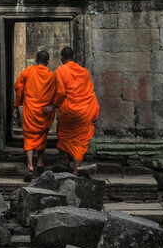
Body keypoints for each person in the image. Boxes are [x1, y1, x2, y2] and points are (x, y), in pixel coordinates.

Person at [45, 47, 99, 175]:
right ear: (74, 57)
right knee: (80, 142)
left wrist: (54, 106)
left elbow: (61, 92)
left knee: (64, 135)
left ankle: (66, 159)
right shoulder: (84, 72)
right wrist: (95, 112)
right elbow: (90, 93)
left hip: (69, 110)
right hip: (85, 110)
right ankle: (75, 170)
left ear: (61, 59)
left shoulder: (60, 71)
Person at [13, 50, 57, 181]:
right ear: (48, 62)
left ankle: (30, 165)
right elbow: (57, 92)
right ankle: (40, 162)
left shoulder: (28, 71)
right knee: (42, 135)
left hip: (30, 109)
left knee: (29, 136)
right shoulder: (52, 76)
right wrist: (52, 107)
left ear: (35, 59)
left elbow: (19, 88)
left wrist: (17, 105)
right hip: (44, 111)